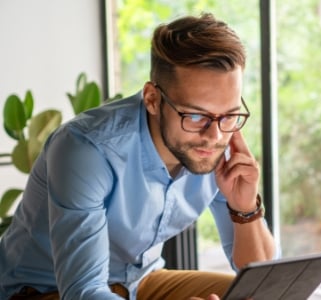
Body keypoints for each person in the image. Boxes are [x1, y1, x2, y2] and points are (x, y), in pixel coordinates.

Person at [0, 13, 277, 300]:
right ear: (152, 99)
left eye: (229, 115)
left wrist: (245, 209)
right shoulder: (85, 149)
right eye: (195, 115)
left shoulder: (219, 142)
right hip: (44, 291)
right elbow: (83, 292)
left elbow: (266, 280)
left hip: (140, 282)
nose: (215, 136)